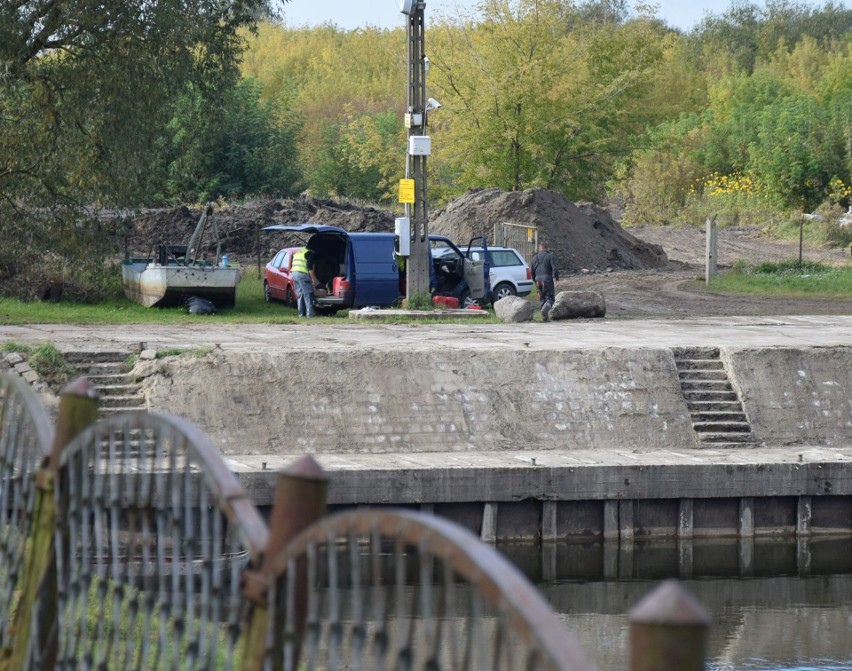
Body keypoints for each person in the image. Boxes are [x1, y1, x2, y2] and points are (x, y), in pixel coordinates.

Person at [531, 242, 560, 322]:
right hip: (547, 280)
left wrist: (535, 281)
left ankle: (545, 318)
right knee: (550, 299)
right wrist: (556, 279)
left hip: (537, 281)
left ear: (540, 249)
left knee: (542, 299)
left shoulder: (534, 258)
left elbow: (532, 271)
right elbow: (554, 268)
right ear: (547, 248)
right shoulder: (551, 256)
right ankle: (544, 310)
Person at [291, 246, 318, 318]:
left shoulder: (299, 252)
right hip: (302, 275)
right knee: (308, 294)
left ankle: (301, 314)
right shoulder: (309, 253)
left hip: (294, 273)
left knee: (300, 294)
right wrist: (314, 279)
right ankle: (310, 315)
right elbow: (309, 267)